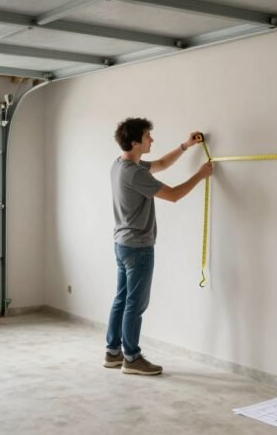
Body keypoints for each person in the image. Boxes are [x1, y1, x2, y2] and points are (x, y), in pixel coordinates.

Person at [104, 117, 213, 375]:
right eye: (147, 136)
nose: (151, 139)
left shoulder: (120, 165)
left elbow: (162, 164)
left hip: (122, 244)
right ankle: (131, 358)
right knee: (135, 304)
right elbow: (173, 195)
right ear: (135, 142)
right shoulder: (136, 174)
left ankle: (112, 352)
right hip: (138, 248)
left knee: (122, 299)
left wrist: (185, 146)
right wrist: (200, 175)